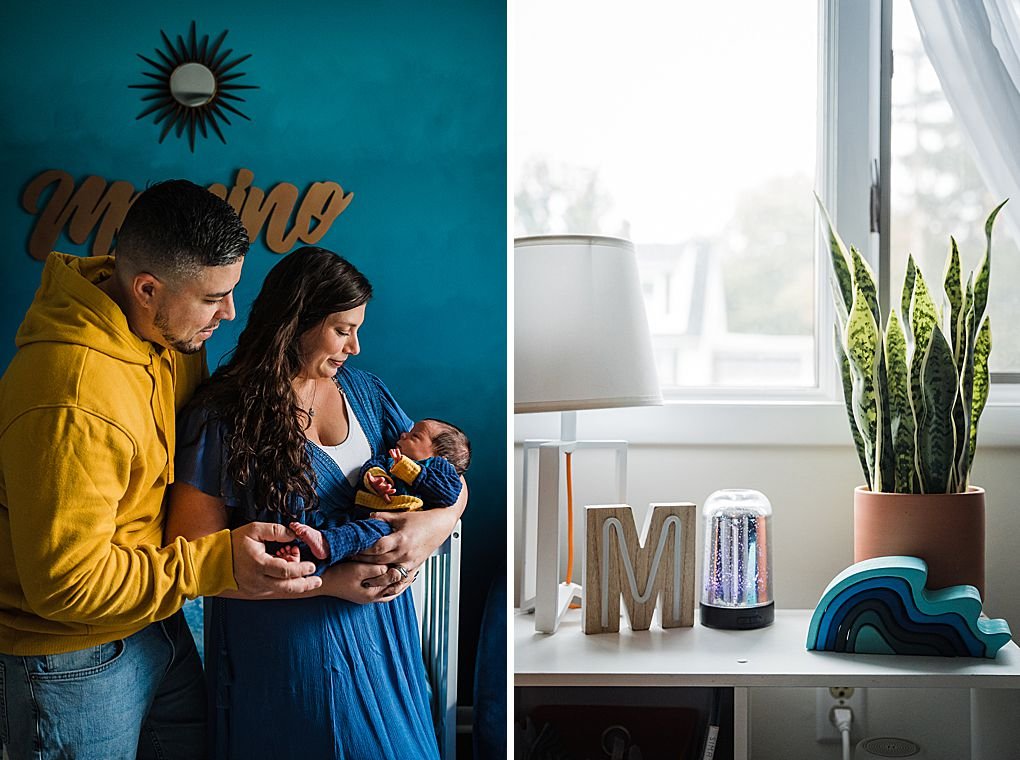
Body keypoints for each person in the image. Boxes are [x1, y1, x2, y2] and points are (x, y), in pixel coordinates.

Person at [0, 180, 325, 760]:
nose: (228, 313)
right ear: (146, 288)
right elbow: (66, 586)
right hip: (69, 658)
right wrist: (219, 562)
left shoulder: (167, 328)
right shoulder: (72, 398)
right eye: (213, 298)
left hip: (155, 621)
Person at [165, 246, 466, 759]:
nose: (355, 345)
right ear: (296, 322)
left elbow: (448, 477)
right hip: (288, 646)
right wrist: (330, 583)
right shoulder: (224, 417)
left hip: (384, 634)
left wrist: (429, 531)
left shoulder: (365, 392)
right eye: (342, 329)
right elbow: (192, 559)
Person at [282, 417, 471, 565]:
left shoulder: (437, 469)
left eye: (415, 436)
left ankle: (323, 546)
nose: (404, 434)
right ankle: (303, 553)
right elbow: (371, 466)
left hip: (389, 524)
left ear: (439, 457)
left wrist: (410, 470)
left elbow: (449, 493)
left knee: (370, 531)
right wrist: (377, 480)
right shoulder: (389, 459)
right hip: (359, 512)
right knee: (333, 524)